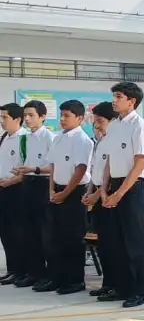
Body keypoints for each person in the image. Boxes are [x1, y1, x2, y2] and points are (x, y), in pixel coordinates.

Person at [101, 82, 144, 308]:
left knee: (134, 241)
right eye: (114, 96)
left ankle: (139, 290)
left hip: (134, 186)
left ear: (131, 101)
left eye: (119, 97)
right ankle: (122, 286)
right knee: (116, 240)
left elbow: (139, 163)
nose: (114, 101)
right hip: (114, 184)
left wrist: (120, 193)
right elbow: (109, 160)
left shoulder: (141, 126)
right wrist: (104, 190)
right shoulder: (114, 125)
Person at [38, 100, 94, 295]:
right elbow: (52, 165)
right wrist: (52, 190)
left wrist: (65, 193)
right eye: (61, 115)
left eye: (67, 116)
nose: (62, 119)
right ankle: (56, 277)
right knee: (53, 238)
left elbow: (81, 169)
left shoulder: (83, 140)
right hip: (57, 191)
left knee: (72, 238)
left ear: (79, 119)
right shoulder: (58, 138)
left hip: (74, 192)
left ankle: (74, 280)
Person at [11, 100, 55, 289]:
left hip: (42, 184)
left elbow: (52, 167)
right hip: (27, 183)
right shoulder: (25, 138)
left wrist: (34, 169)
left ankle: (48, 273)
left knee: (43, 230)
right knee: (28, 231)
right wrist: (21, 171)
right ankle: (34, 272)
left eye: (31, 115)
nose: (27, 119)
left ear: (43, 117)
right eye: (25, 115)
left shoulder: (50, 138)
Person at [82, 102, 117, 297]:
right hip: (96, 194)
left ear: (112, 121)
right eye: (94, 121)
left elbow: (111, 174)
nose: (96, 125)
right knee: (103, 243)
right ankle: (107, 282)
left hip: (108, 197)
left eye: (100, 121)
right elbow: (95, 172)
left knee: (112, 244)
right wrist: (89, 191)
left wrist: (96, 195)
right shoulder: (99, 141)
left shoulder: (113, 142)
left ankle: (115, 283)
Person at [0, 103, 27, 286]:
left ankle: (22, 270)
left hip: (16, 189)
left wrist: (9, 182)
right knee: (6, 232)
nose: (2, 121)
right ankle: (12, 269)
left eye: (5, 118)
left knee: (19, 232)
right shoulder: (4, 137)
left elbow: (27, 168)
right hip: (3, 188)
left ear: (17, 119)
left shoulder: (24, 138)